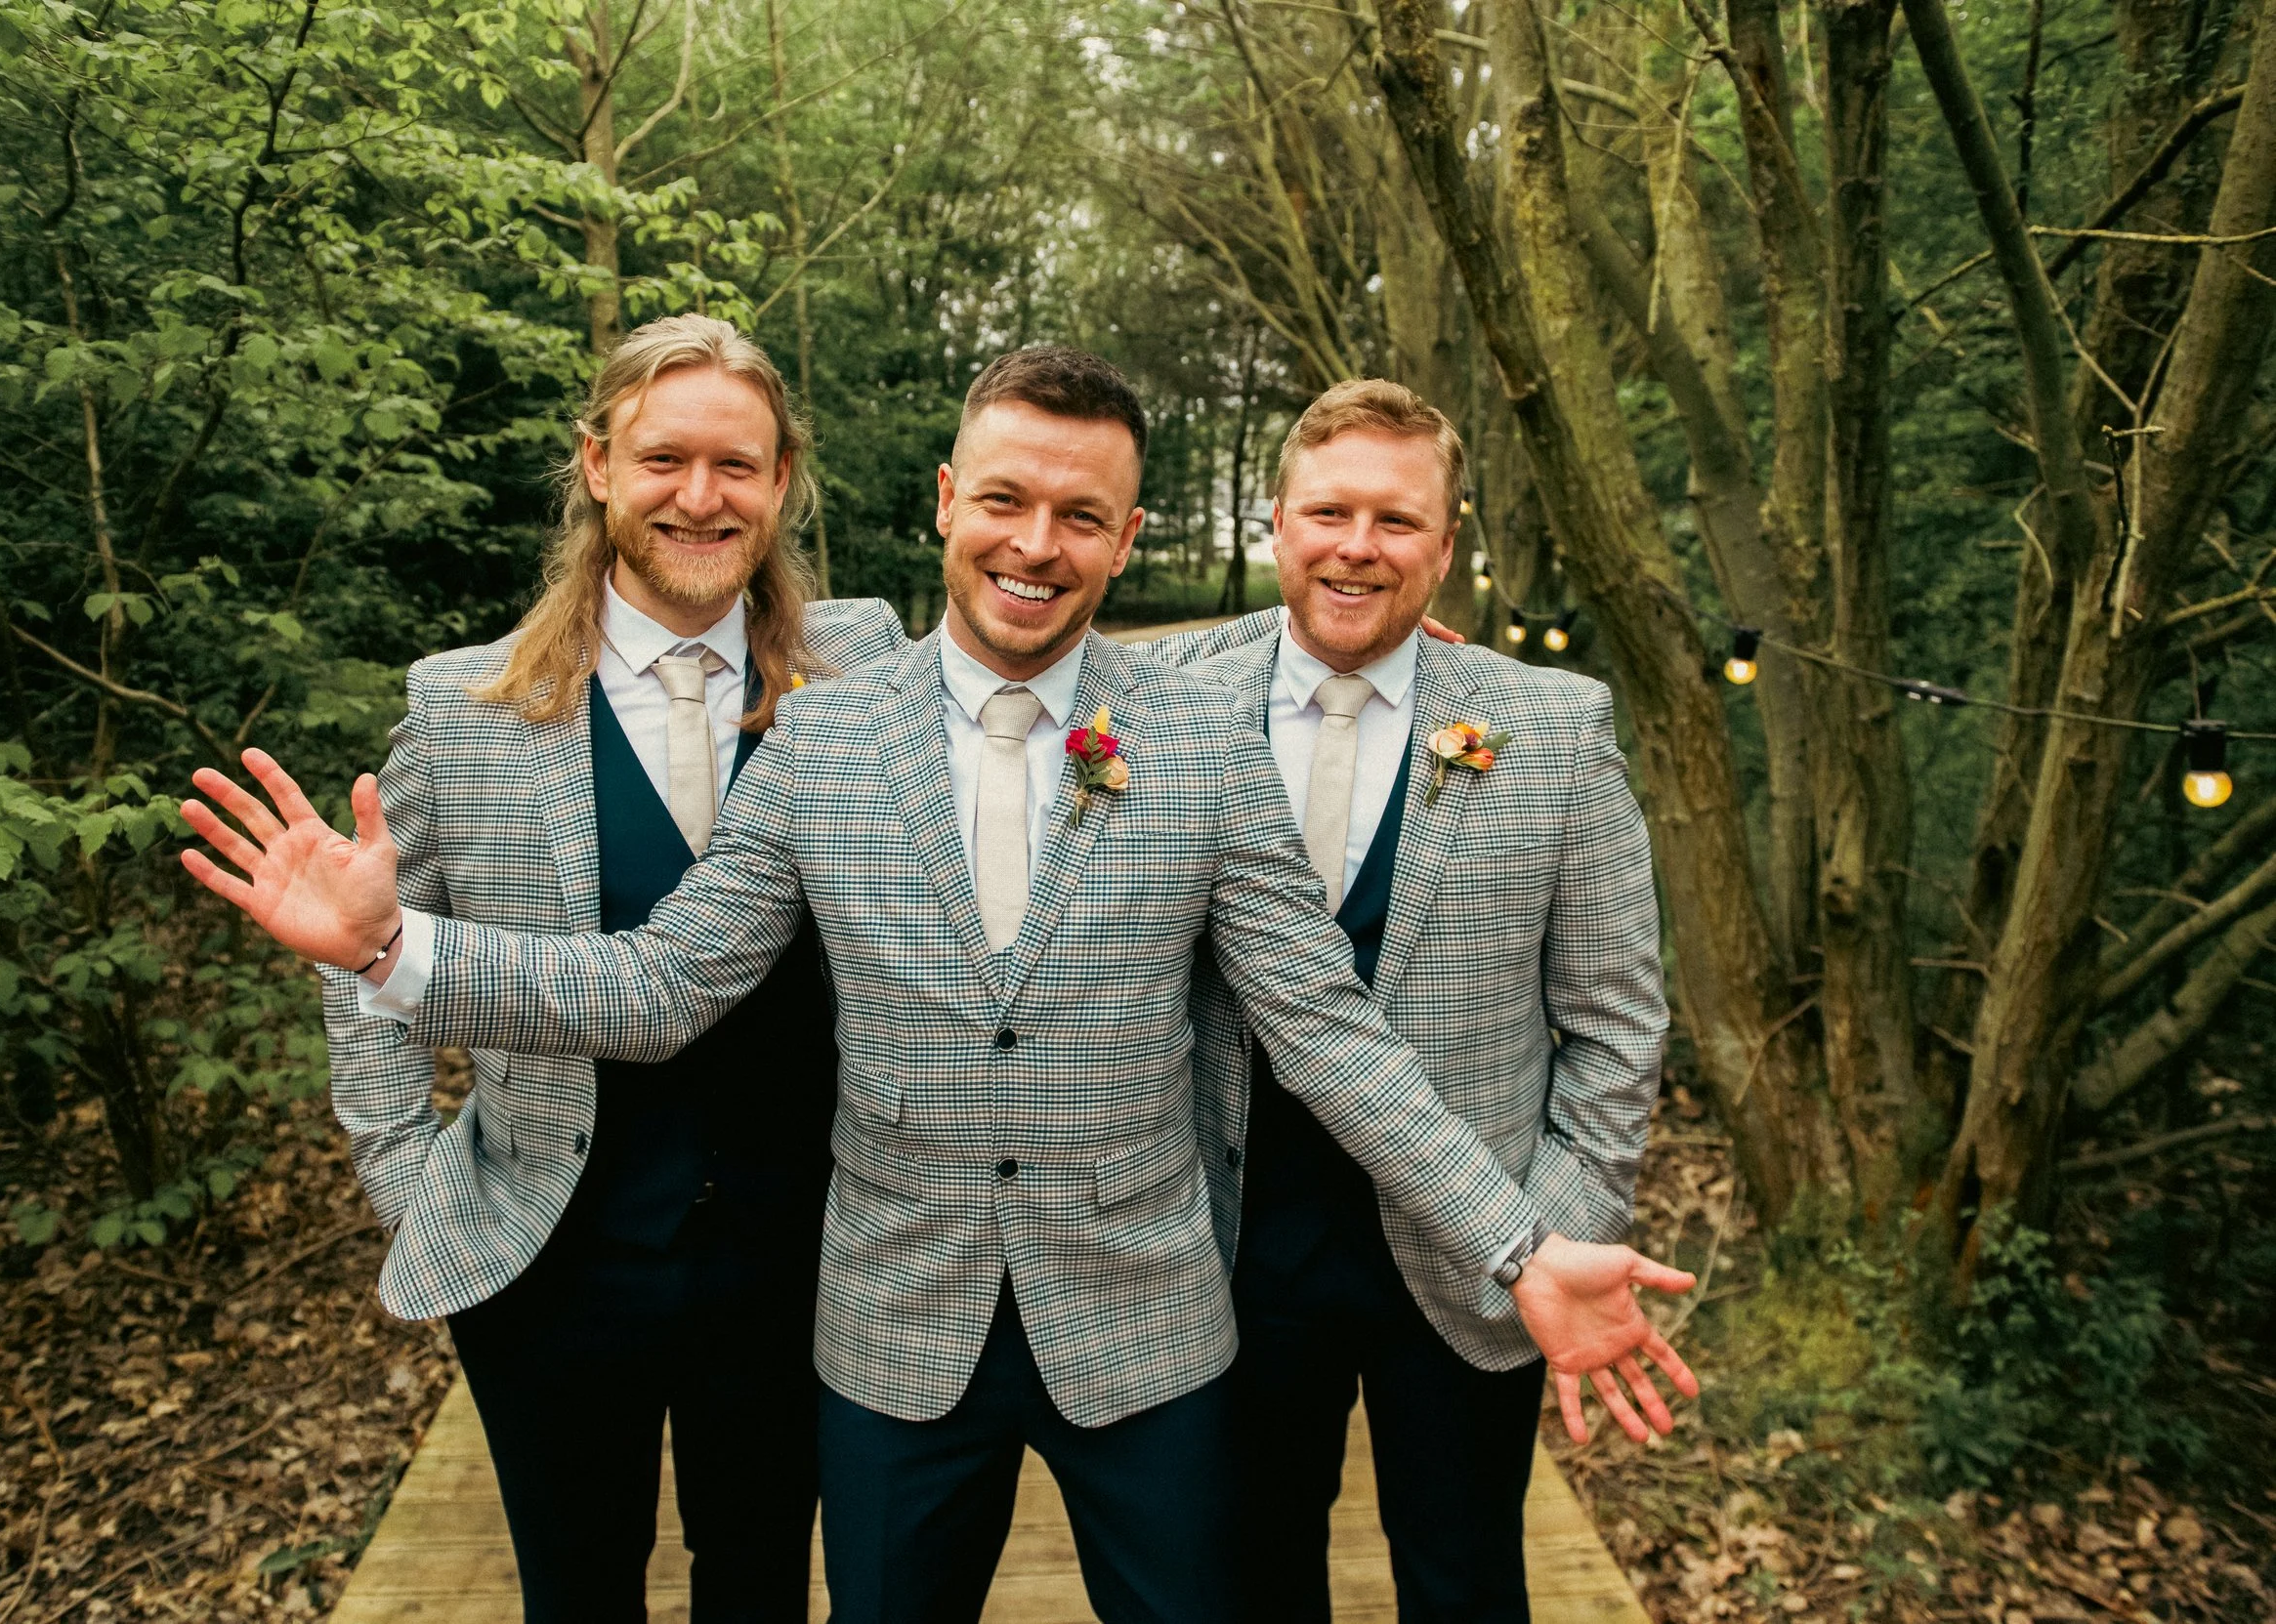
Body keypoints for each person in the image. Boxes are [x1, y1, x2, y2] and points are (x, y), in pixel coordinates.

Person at [179, 347, 1696, 1624]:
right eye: (1009, 501)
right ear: (947, 502)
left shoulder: (1202, 742)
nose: (1037, 543)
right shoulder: (824, 735)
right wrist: (395, 948)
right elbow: (660, 985)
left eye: (1081, 515)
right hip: (894, 1334)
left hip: (1151, 1333)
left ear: (1126, 535)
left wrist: (1520, 1244)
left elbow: (1328, 1030)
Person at [317, 314, 906, 1624]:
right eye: (664, 459)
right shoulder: (462, 711)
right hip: (551, 1253)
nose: (701, 498)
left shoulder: (867, 664)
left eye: (737, 465)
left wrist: (1369, 644)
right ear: (597, 464)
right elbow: (365, 956)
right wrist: (410, 1184)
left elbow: (1050, 666)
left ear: (783, 477)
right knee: (577, 1591)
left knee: (758, 1580)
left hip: (802, 1247)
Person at [1180, 380, 1668, 1623]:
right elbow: (953, 664)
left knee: (1462, 1582)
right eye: (1329, 512)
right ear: (1277, 525)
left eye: (1397, 522)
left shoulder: (1553, 727)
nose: (1358, 546)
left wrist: (1552, 1229)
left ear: (1445, 547)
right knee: (1247, 1573)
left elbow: (1616, 1020)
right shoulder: (1167, 694)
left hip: (1469, 1257)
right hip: (1227, 1243)